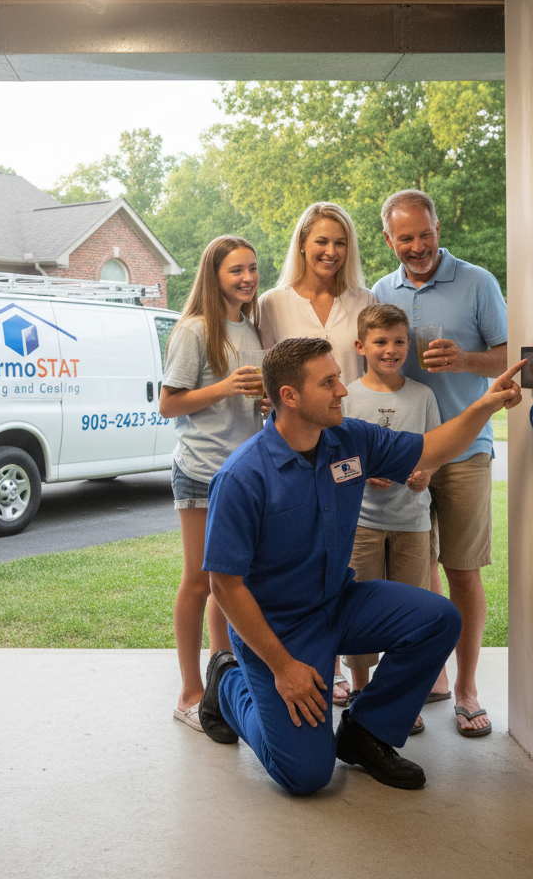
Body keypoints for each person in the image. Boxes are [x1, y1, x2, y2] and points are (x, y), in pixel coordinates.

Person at [198, 338, 523, 793]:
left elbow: (431, 449)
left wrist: (486, 405)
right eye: (328, 382)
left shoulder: (349, 440)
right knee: (305, 776)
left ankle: (365, 731)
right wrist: (284, 668)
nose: (342, 390)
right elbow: (226, 586)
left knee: (438, 619)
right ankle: (227, 681)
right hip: (280, 629)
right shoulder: (241, 476)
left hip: (339, 602)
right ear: (290, 396)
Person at [372, 189, 507, 737]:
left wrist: (466, 359)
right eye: (405, 237)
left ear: (436, 228)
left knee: (462, 570)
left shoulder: (478, 282)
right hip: (407, 454)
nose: (417, 246)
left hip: (466, 451)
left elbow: (510, 355)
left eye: (424, 233)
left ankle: (468, 689)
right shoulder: (383, 290)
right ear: (389, 239)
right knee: (413, 572)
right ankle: (429, 677)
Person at [259, 201, 377, 707]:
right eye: (322, 241)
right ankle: (314, 666)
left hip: (351, 440)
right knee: (305, 555)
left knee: (352, 554)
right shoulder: (273, 303)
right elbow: (270, 377)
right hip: (296, 449)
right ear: (303, 244)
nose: (331, 251)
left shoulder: (364, 299)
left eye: (340, 242)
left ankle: (359, 675)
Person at [158, 236, 268, 737]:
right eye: (235, 270)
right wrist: (225, 387)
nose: (247, 278)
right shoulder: (195, 330)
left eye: (252, 268)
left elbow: (246, 402)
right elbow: (169, 404)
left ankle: (222, 682)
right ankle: (188, 693)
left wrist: (263, 403)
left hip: (245, 474)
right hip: (202, 470)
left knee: (232, 582)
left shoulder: (251, 326)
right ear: (214, 275)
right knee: (199, 581)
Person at [340, 304, 441, 736]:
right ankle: (361, 689)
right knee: (360, 607)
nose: (390, 349)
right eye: (380, 341)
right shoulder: (347, 397)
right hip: (361, 523)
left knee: (412, 610)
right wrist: (363, 472)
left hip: (412, 521)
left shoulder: (422, 396)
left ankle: (399, 698)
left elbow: (434, 449)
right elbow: (336, 460)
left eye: (399, 341)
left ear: (409, 345)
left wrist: (425, 472)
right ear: (360, 346)